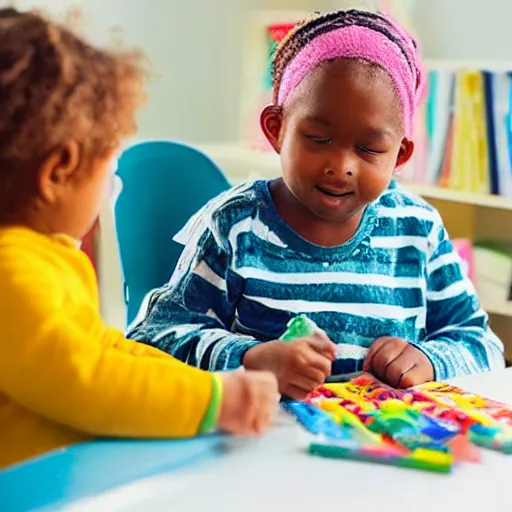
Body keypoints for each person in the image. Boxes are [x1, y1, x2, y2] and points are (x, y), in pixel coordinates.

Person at [127, 9, 504, 399]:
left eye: (369, 149)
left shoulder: (418, 230)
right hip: (261, 447)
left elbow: (482, 345)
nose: (340, 167)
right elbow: (151, 340)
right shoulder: (235, 226)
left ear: (400, 155)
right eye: (318, 139)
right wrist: (252, 359)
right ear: (277, 129)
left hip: (381, 448)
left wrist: (429, 359)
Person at [0, 8, 279, 470]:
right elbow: (87, 379)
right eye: (109, 167)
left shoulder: (40, 257)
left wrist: (213, 378)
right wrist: (215, 401)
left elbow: (103, 348)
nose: (116, 185)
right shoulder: (13, 273)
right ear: (58, 173)